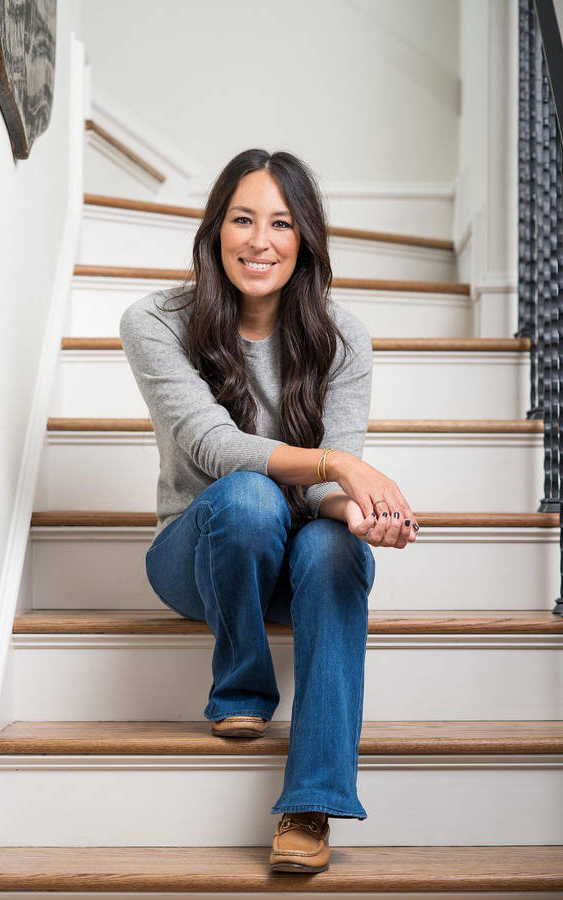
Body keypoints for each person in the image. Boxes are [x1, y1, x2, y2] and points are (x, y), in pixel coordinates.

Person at [119, 148, 418, 874]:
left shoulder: (342, 337)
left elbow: (321, 491)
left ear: (304, 239)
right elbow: (215, 447)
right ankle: (242, 684)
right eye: (242, 219)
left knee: (337, 548)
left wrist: (354, 511)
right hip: (196, 554)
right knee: (249, 497)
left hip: (293, 558)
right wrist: (338, 465)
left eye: (281, 223)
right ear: (214, 230)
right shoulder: (155, 320)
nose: (260, 241)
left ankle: (312, 801)